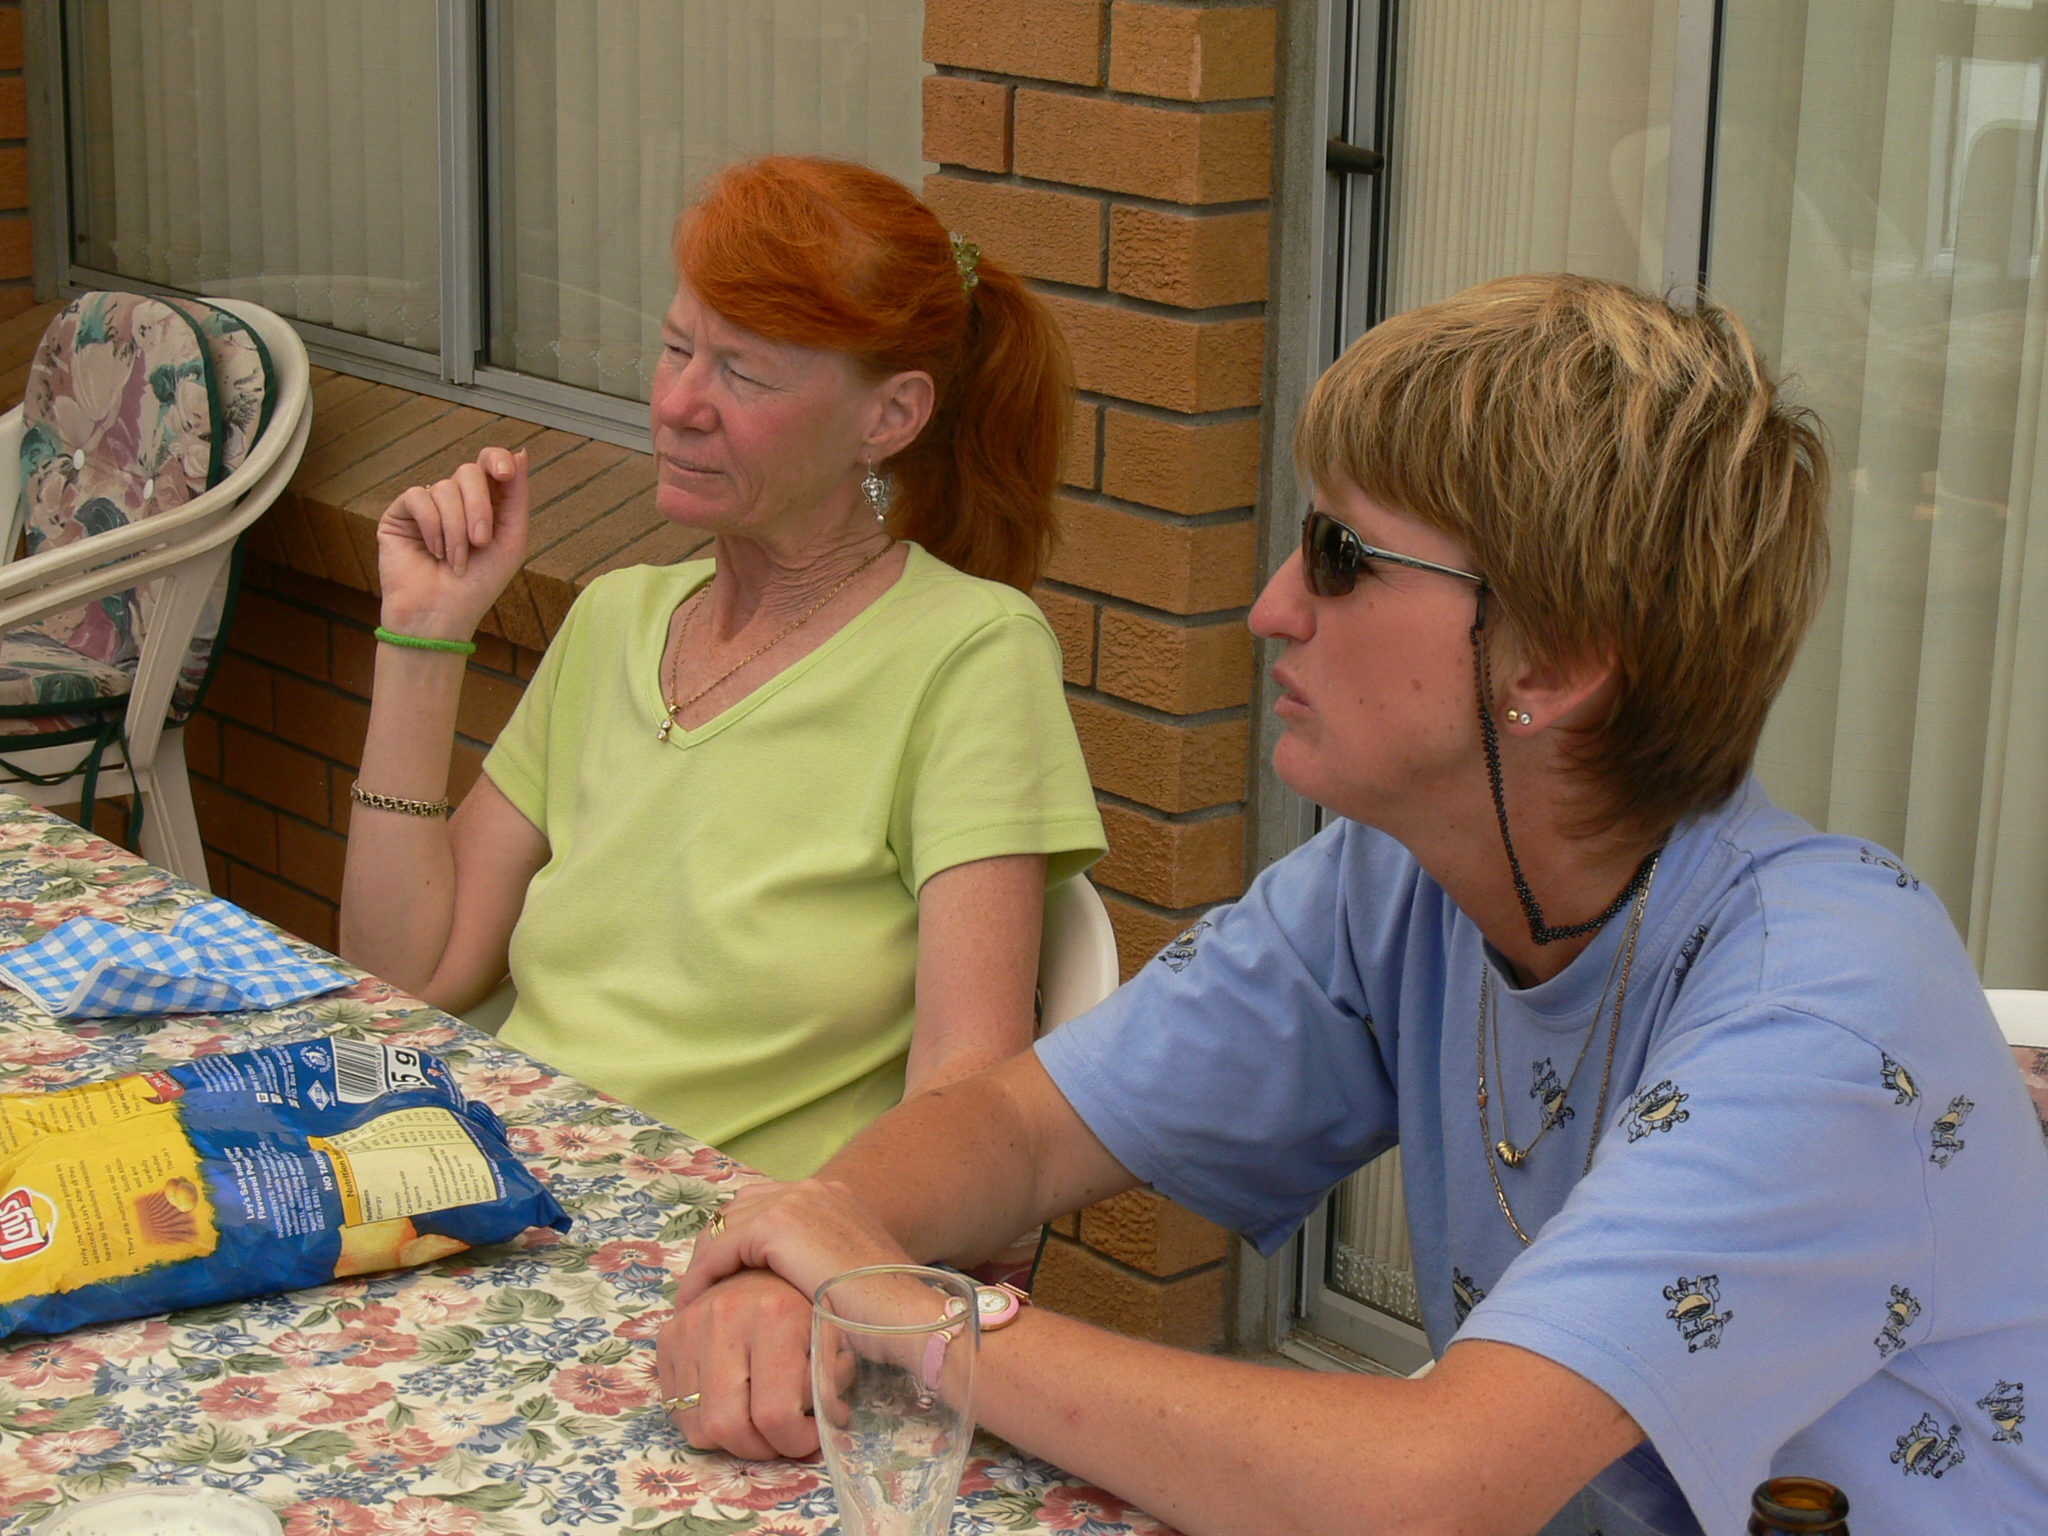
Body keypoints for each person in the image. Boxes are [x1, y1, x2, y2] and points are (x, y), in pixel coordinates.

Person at [662, 275, 2048, 1536]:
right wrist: (806, 1241)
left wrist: (906, 1311)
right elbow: (1021, 1131)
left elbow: (1429, 1487)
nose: (1271, 607)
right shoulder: (1403, 883)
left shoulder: (1825, 1004)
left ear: (1554, 661)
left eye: (1338, 556)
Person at [339, 157, 1106, 1179]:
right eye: (676, 348)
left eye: (743, 373)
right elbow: (404, 980)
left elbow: (962, 1086)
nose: (679, 404)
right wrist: (422, 635)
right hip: (490, 1184)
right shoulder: (614, 619)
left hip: (721, 1240)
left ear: (888, 418)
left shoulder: (969, 655)